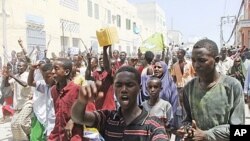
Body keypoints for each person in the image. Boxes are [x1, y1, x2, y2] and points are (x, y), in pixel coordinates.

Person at [71, 66, 169, 141]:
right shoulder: (107, 118)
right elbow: (78, 118)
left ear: (139, 88)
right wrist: (81, 101)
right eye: (118, 85)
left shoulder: (153, 125)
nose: (123, 90)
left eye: (129, 85)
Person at [177, 39, 245, 141]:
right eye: (193, 60)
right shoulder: (189, 88)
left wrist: (207, 135)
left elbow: (240, 132)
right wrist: (187, 129)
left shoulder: (232, 86)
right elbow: (187, 120)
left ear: (216, 60)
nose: (195, 65)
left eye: (202, 60)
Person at [48, 58, 83, 141]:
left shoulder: (78, 90)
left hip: (74, 135)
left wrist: (72, 120)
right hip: (57, 135)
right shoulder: (53, 90)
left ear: (66, 72)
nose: (52, 71)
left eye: (56, 69)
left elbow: (88, 111)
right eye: (52, 69)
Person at [27, 61, 56, 140]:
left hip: (57, 124)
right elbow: (30, 83)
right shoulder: (45, 86)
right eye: (44, 77)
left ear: (54, 74)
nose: (45, 80)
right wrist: (32, 70)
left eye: (48, 77)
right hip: (48, 123)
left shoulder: (60, 88)